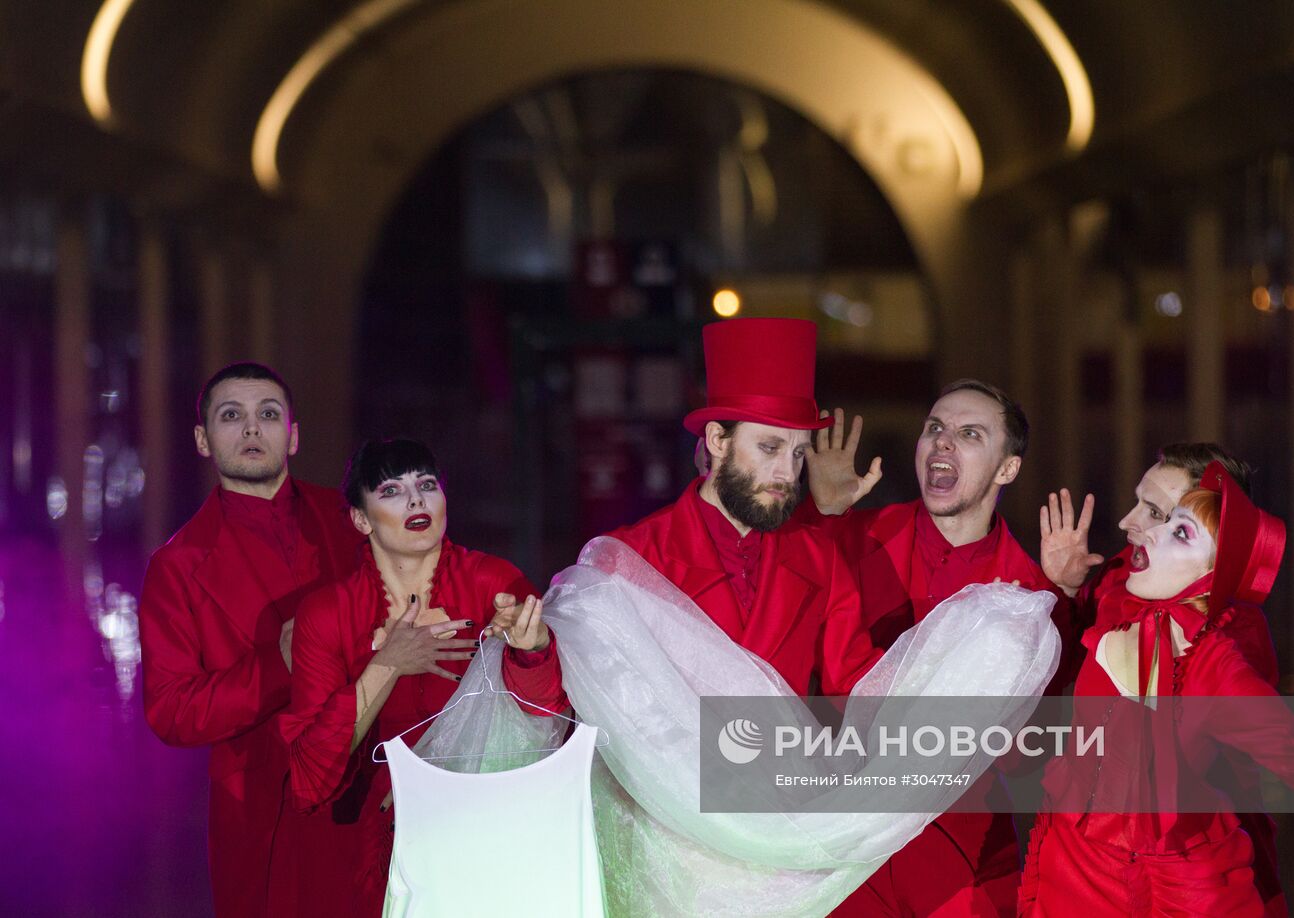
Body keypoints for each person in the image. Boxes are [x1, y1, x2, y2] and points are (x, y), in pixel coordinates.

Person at [1019, 461, 1294, 915]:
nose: (1148, 533)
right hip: (1071, 872)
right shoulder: (1114, 600)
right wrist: (1059, 585)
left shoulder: (1217, 667)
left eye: (1181, 533)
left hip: (1175, 891)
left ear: (1211, 575)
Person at [803, 385, 1068, 916]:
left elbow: (1030, 756)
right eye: (935, 429)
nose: (943, 443)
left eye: (970, 434)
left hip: (966, 855)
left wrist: (1066, 601)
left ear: (1007, 469)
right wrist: (819, 518)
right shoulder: (850, 538)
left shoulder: (1031, 593)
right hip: (845, 842)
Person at [277, 438, 567, 917]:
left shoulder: (493, 583)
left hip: (484, 840)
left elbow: (550, 722)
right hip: (371, 850)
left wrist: (530, 652)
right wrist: (388, 663)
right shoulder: (327, 614)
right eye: (391, 490)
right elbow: (309, 779)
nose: (416, 500)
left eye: (426, 485)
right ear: (360, 518)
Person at [138, 362, 364, 917]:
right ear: (202, 438)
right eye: (230, 416)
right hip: (265, 801)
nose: (250, 430)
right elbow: (171, 711)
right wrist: (283, 661)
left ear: (292, 434)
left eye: (267, 415)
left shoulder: (351, 521)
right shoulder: (178, 564)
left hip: (370, 776)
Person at [1039, 443, 1286, 911]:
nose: (1127, 523)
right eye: (1139, 502)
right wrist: (1066, 589)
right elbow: (1057, 680)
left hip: (1186, 871)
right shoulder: (1115, 582)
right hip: (1085, 865)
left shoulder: (1233, 634)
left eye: (1155, 512)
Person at [605, 317, 883, 698]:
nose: (788, 472)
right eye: (769, 448)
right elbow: (590, 697)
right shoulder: (631, 558)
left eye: (799, 453)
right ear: (718, 440)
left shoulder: (821, 560)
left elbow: (862, 692)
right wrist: (533, 654)